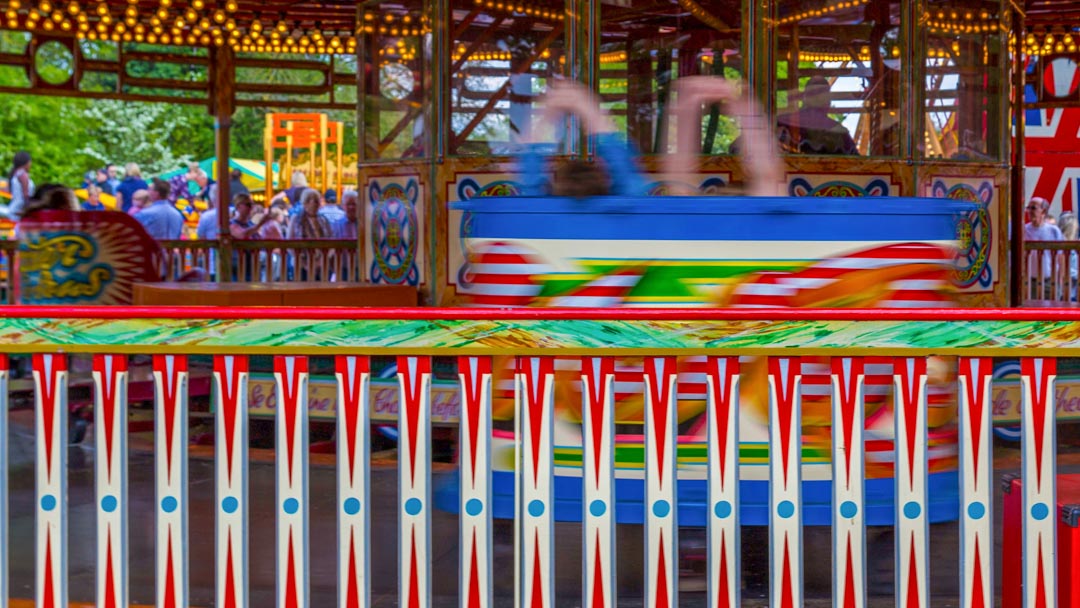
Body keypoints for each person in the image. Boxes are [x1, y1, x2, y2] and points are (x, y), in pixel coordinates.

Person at [517, 80, 647, 198]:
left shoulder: (539, 213)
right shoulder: (621, 213)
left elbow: (531, 189)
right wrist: (592, 113)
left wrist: (543, 119)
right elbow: (630, 186)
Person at [777, 76, 859, 156]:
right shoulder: (839, 131)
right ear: (827, 102)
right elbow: (858, 163)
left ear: (804, 98)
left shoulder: (783, 121)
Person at [1026, 197, 1064, 297]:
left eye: (1033, 208)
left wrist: (1060, 281)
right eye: (1028, 208)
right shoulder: (1024, 230)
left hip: (1049, 281)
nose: (1029, 211)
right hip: (1029, 282)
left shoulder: (1054, 231)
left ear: (1043, 211)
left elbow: (1061, 257)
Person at [3, 151, 33, 219]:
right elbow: (26, 195)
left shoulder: (16, 173)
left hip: (14, 208)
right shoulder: (23, 175)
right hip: (20, 210)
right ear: (26, 162)